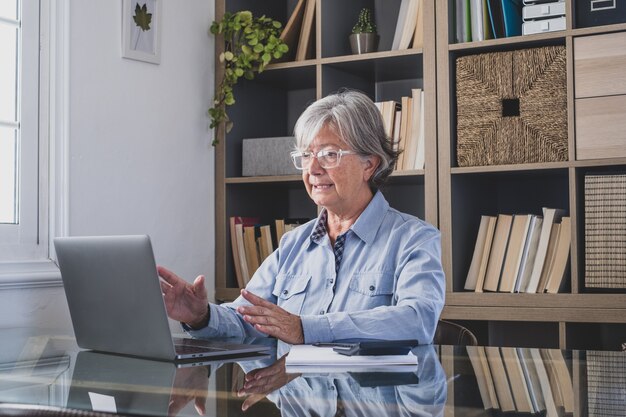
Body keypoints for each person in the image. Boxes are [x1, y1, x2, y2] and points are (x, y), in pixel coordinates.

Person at [158, 89, 445, 348]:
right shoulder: (293, 243)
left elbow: (417, 320)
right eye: (306, 155)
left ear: (369, 164)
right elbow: (248, 319)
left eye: (330, 154)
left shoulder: (414, 239)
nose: (313, 168)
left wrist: (306, 328)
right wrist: (201, 316)